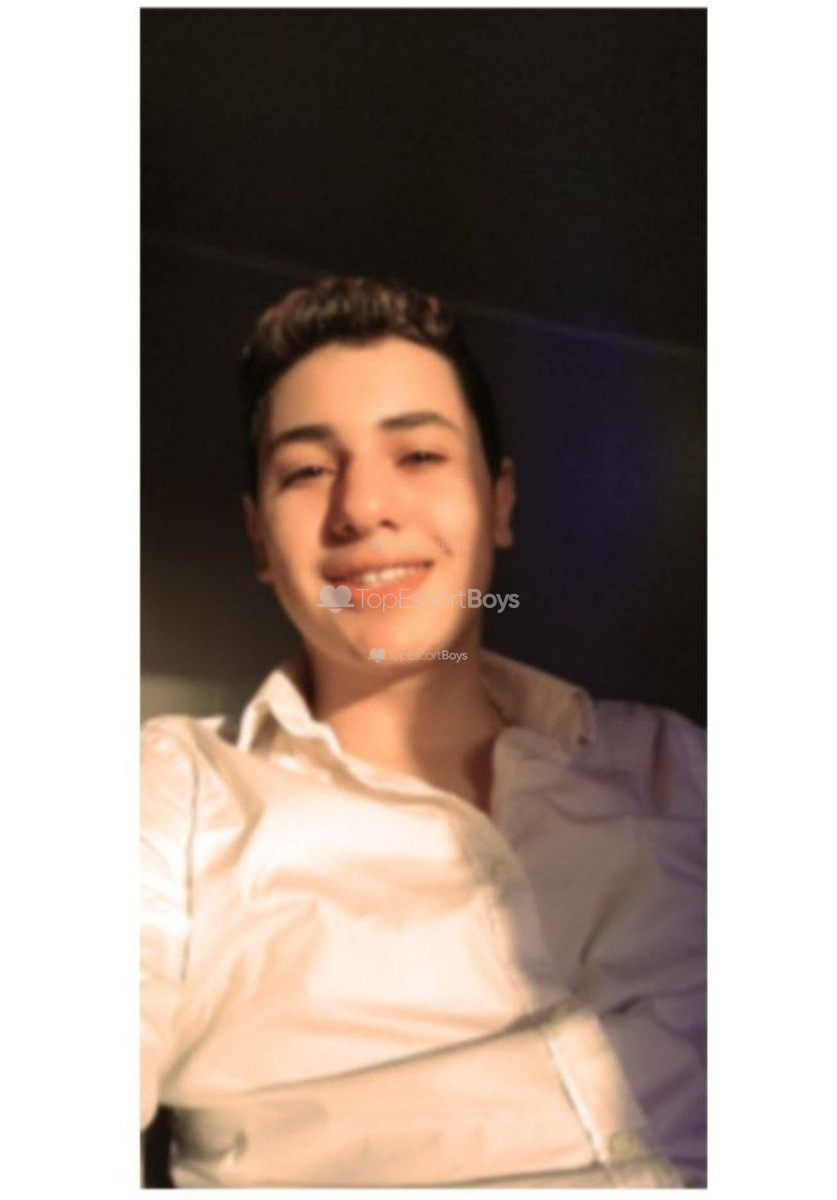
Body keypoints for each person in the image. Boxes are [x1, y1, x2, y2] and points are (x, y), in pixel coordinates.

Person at [141, 276, 705, 1187]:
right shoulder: (172, 794)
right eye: (306, 470)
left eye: (418, 455)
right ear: (259, 539)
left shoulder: (676, 765)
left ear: (499, 503)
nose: (363, 506)